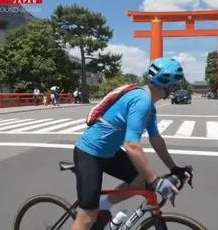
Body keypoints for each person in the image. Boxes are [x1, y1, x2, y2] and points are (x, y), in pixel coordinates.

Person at [70, 57, 191, 230]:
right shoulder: (141, 101)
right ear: (169, 85)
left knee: (141, 182)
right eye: (175, 84)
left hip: (109, 153)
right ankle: (94, 215)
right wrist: (156, 181)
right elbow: (131, 146)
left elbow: (156, 139)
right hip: (89, 153)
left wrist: (174, 168)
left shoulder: (148, 104)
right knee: (87, 217)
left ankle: (104, 207)